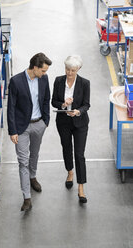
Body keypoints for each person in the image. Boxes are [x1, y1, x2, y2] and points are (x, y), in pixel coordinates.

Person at [7, 53, 52, 211]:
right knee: (22, 161)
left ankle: (33, 177)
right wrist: (13, 131)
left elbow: (46, 99)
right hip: (22, 128)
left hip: (39, 124)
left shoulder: (43, 79)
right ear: (35, 68)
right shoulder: (16, 81)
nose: (45, 74)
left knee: (35, 154)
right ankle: (27, 197)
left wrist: (45, 121)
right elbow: (11, 107)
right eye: (43, 71)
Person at [51, 55, 90, 203]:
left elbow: (87, 104)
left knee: (79, 154)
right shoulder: (58, 81)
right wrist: (63, 105)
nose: (69, 73)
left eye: (72, 70)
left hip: (80, 123)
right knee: (66, 148)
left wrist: (78, 111)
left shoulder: (85, 83)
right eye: (67, 69)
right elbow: (53, 101)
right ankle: (70, 172)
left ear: (78, 69)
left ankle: (81, 187)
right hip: (63, 122)